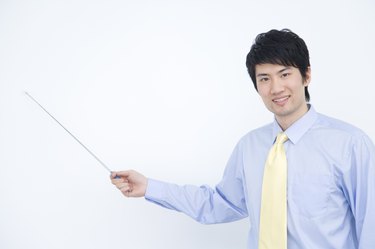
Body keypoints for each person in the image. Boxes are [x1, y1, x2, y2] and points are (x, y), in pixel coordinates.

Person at [110, 29, 375, 248]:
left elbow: (370, 226)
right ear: (256, 86)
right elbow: (218, 204)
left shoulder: (351, 145)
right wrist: (150, 187)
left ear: (306, 75)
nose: (276, 88)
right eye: (264, 78)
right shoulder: (250, 147)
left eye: (285, 74)